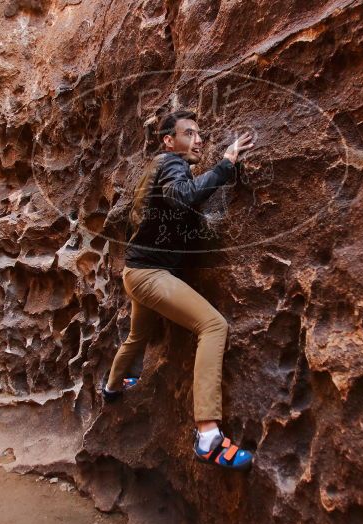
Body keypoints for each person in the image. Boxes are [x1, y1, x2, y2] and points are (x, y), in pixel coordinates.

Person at [101, 109, 255, 471]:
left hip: (135, 271)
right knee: (214, 327)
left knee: (139, 335)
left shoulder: (155, 169)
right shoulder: (172, 164)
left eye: (199, 133)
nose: (198, 139)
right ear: (170, 140)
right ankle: (208, 436)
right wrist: (226, 163)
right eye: (189, 133)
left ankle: (110, 389)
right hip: (149, 274)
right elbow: (181, 196)